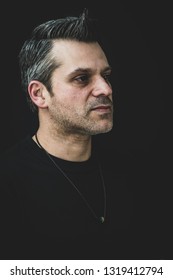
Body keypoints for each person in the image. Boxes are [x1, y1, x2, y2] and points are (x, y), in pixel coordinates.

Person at [0, 8, 160, 260]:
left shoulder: (137, 175)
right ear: (39, 94)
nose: (105, 89)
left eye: (106, 76)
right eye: (82, 78)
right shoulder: (8, 183)